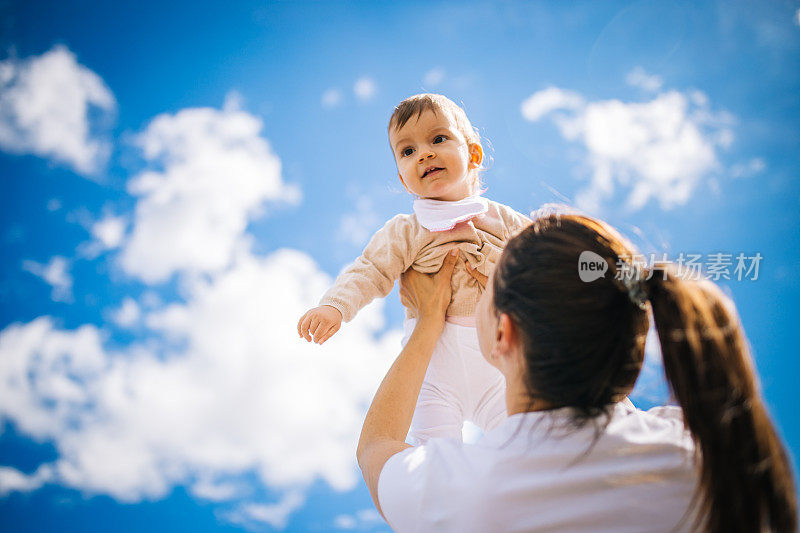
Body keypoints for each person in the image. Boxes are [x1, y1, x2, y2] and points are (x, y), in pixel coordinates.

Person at [357, 208, 797, 532]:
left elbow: (376, 447)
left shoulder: (467, 491)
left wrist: (428, 321)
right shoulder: (701, 451)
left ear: (503, 333)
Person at [297, 94, 530, 443]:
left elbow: (547, 259)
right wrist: (335, 306)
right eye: (407, 151)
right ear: (405, 181)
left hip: (500, 362)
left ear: (474, 155)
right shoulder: (406, 230)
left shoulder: (504, 220)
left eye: (438, 139)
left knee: (525, 443)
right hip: (432, 366)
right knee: (433, 452)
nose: (424, 153)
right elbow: (370, 270)